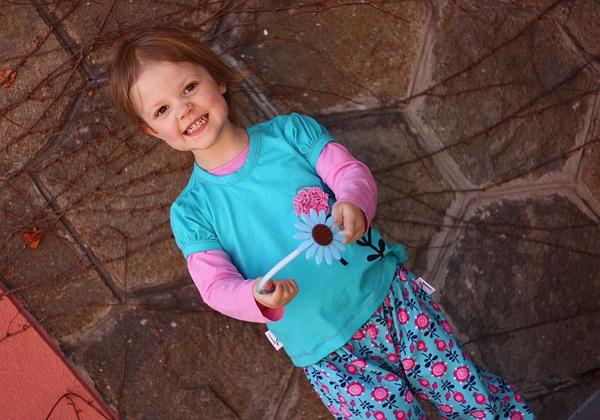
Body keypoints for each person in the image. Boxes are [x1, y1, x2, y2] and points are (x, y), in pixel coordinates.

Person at [108, 26, 535, 420]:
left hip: (393, 303)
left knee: (473, 401)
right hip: (328, 354)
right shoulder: (191, 211)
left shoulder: (291, 134)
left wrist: (353, 201)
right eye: (162, 109)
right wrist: (255, 296)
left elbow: (348, 172)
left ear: (217, 78)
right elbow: (216, 285)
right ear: (151, 131)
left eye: (189, 87)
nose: (184, 109)